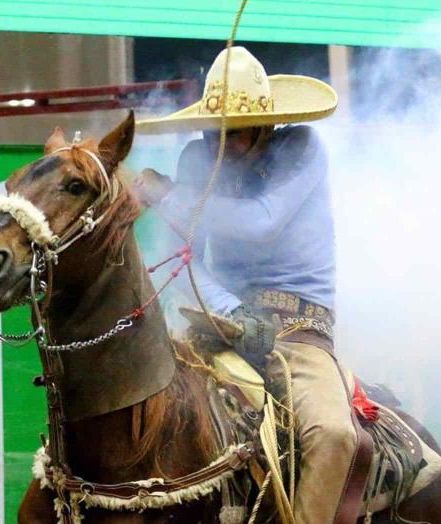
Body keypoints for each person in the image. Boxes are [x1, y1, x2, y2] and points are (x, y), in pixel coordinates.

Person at [134, 47, 371, 524]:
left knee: (332, 435)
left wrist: (169, 196)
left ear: (268, 125)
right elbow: (183, 257)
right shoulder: (198, 158)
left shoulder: (302, 148)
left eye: (237, 134)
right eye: (213, 132)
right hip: (219, 320)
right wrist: (231, 310)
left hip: (298, 329)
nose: (224, 146)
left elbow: (261, 223)